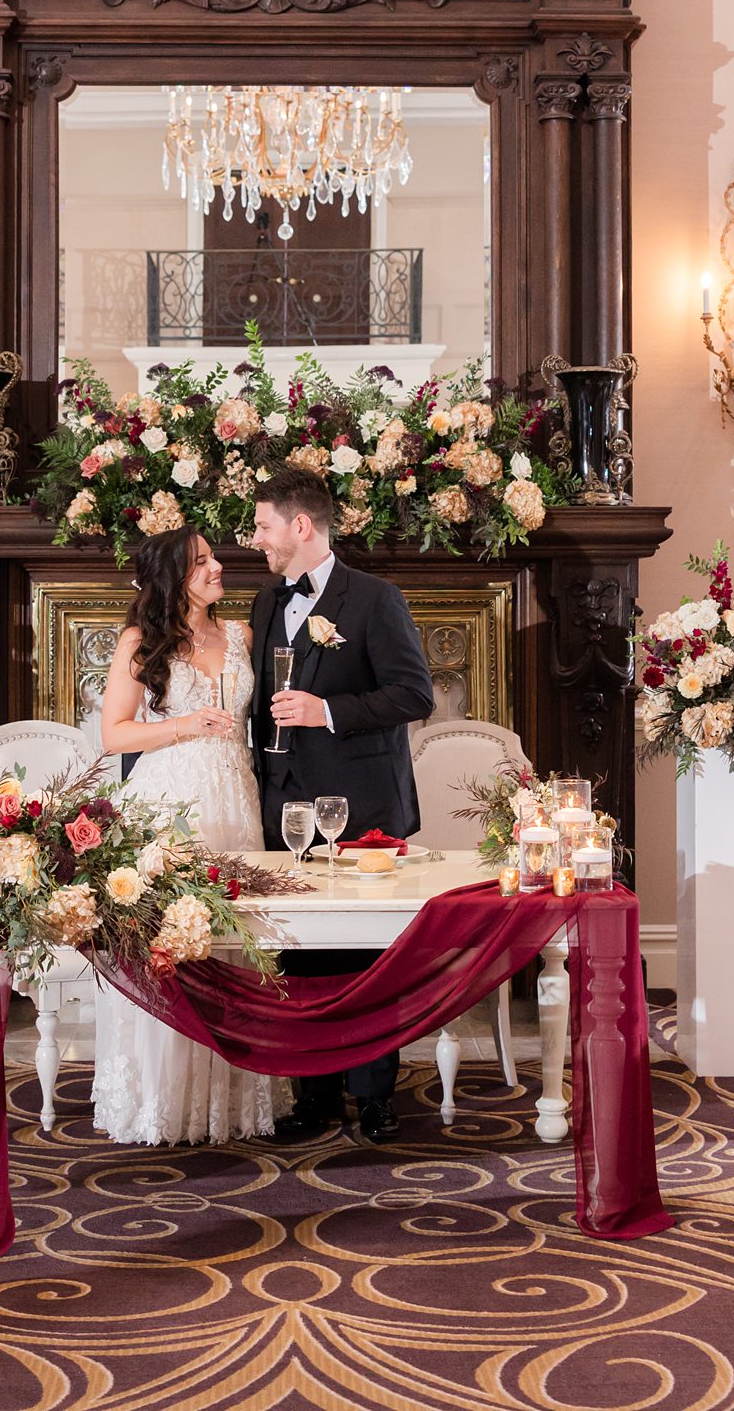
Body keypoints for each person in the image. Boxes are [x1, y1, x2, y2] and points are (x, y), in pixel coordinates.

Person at [247, 466, 436, 1143]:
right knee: (299, 954)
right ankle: (315, 1096)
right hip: (285, 804)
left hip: (362, 805)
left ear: (300, 526)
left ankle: (376, 1099)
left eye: (263, 525)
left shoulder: (376, 599)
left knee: (365, 958)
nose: (255, 539)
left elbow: (414, 695)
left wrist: (326, 711)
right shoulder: (266, 602)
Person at [89, 526, 280, 1144]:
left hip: (237, 799)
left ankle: (229, 1099)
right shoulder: (140, 641)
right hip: (169, 801)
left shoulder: (242, 635)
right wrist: (187, 725)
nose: (218, 566)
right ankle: (162, 1098)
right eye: (201, 561)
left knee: (234, 940)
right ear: (174, 577)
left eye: (214, 556)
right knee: (172, 942)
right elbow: (114, 734)